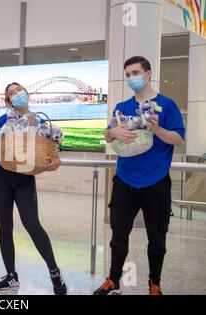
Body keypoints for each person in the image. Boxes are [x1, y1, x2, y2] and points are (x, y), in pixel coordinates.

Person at [94, 56, 185, 295]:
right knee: (118, 234)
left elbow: (178, 138)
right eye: (128, 75)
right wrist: (112, 132)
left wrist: (157, 129)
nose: (131, 78)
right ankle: (113, 280)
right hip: (125, 179)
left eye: (136, 72)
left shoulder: (167, 105)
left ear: (148, 74)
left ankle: (154, 283)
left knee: (157, 237)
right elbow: (108, 135)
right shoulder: (122, 107)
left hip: (156, 182)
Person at [0, 82, 67, 295]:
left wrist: (56, 161)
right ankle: (11, 275)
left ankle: (54, 271)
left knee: (32, 224)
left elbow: (52, 153)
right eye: (11, 94)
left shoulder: (40, 122)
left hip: (24, 179)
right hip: (0, 178)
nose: (16, 95)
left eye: (18, 90)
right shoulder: (2, 121)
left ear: (26, 93)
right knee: (4, 227)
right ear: (9, 101)